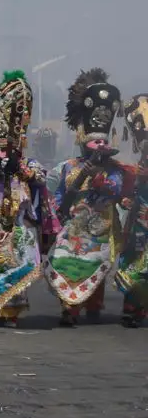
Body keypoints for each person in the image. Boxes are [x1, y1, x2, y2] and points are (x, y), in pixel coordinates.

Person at [0, 72, 59, 327]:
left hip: (19, 225)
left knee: (14, 267)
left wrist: (19, 168)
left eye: (6, 150)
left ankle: (12, 313)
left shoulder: (28, 164)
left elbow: (38, 182)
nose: (2, 153)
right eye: (0, 150)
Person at [44, 70, 125, 326]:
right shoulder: (67, 167)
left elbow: (116, 191)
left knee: (97, 262)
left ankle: (94, 303)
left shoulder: (114, 169)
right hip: (72, 228)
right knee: (68, 264)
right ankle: (69, 307)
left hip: (100, 228)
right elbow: (55, 197)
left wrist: (100, 177)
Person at [116, 93, 148, 327]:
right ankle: (133, 306)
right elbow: (127, 193)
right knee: (135, 259)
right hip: (139, 220)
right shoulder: (136, 170)